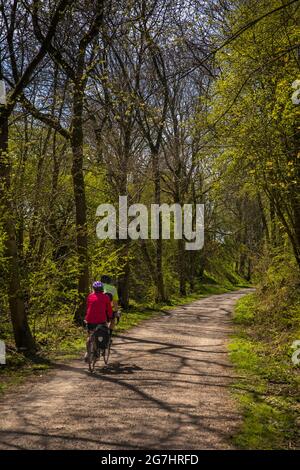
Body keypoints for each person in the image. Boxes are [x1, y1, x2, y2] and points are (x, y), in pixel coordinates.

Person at [84, 281, 113, 360]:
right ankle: (100, 349)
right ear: (102, 289)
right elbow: (109, 310)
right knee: (104, 332)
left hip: (89, 320)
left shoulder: (90, 296)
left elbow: (88, 307)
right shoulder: (106, 297)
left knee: (90, 335)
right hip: (101, 320)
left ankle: (87, 352)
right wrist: (110, 317)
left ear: (94, 289)